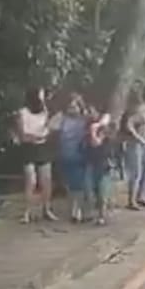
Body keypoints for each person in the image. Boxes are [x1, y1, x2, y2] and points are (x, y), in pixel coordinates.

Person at [16, 86, 58, 223]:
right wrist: (36, 137)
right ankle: (27, 212)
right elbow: (22, 135)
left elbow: (47, 129)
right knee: (31, 181)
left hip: (43, 148)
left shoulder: (44, 112)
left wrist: (46, 133)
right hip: (29, 149)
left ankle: (46, 209)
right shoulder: (22, 113)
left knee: (46, 180)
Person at [53, 93, 88, 223]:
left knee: (78, 184)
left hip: (80, 154)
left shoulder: (85, 120)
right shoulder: (62, 119)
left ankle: (76, 210)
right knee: (70, 185)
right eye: (70, 107)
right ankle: (74, 208)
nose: (72, 109)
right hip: (65, 154)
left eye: (75, 106)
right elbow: (50, 127)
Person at [123, 102, 145, 210]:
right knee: (136, 172)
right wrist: (138, 138)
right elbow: (129, 124)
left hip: (144, 143)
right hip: (134, 144)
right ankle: (131, 200)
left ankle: (142, 196)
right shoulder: (142, 109)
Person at [83, 105, 113, 226]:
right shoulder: (87, 128)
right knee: (89, 190)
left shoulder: (105, 129)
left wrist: (95, 129)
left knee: (102, 192)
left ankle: (102, 215)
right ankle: (91, 213)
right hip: (91, 163)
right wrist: (92, 129)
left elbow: (97, 142)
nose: (89, 114)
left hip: (103, 165)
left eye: (91, 111)